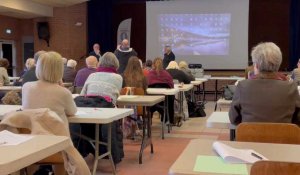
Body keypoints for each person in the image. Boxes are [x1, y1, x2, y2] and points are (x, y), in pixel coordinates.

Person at [229, 42, 300, 125]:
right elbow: (297, 120)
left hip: (249, 137)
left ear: (257, 66)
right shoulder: (291, 87)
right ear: (278, 64)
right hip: (283, 137)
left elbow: (233, 119)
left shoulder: (243, 86)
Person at [22, 51, 77, 130]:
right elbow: (72, 112)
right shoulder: (63, 92)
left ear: (38, 67)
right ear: (60, 69)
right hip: (57, 136)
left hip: (31, 134)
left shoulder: (26, 87)